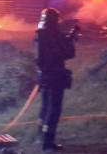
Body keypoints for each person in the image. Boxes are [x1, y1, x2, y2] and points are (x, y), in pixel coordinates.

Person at [34, 8, 76, 151]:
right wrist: (70, 41)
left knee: (45, 106)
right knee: (54, 109)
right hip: (55, 76)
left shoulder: (40, 34)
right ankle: (48, 141)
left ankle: (41, 135)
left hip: (43, 75)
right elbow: (68, 54)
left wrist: (67, 39)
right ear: (55, 20)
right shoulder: (56, 35)